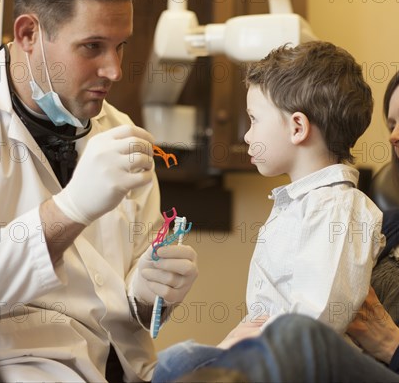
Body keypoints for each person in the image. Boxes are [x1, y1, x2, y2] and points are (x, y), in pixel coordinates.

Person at [0, 0, 198, 382]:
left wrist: (150, 296)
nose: (114, 70)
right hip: (14, 368)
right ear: (29, 34)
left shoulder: (119, 132)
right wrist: (68, 212)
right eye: (92, 46)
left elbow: (128, 313)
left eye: (120, 46)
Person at [197, 55, 399, 382]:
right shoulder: (386, 228)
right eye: (392, 124)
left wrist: (392, 344)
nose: (395, 136)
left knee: (296, 337)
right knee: (187, 360)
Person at [153, 41, 384, 382]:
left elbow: (317, 319)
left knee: (178, 361)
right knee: (177, 364)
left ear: (297, 128)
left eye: (254, 120)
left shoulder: (339, 208)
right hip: (269, 357)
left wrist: (244, 349)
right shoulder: (298, 204)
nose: (247, 136)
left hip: (303, 368)